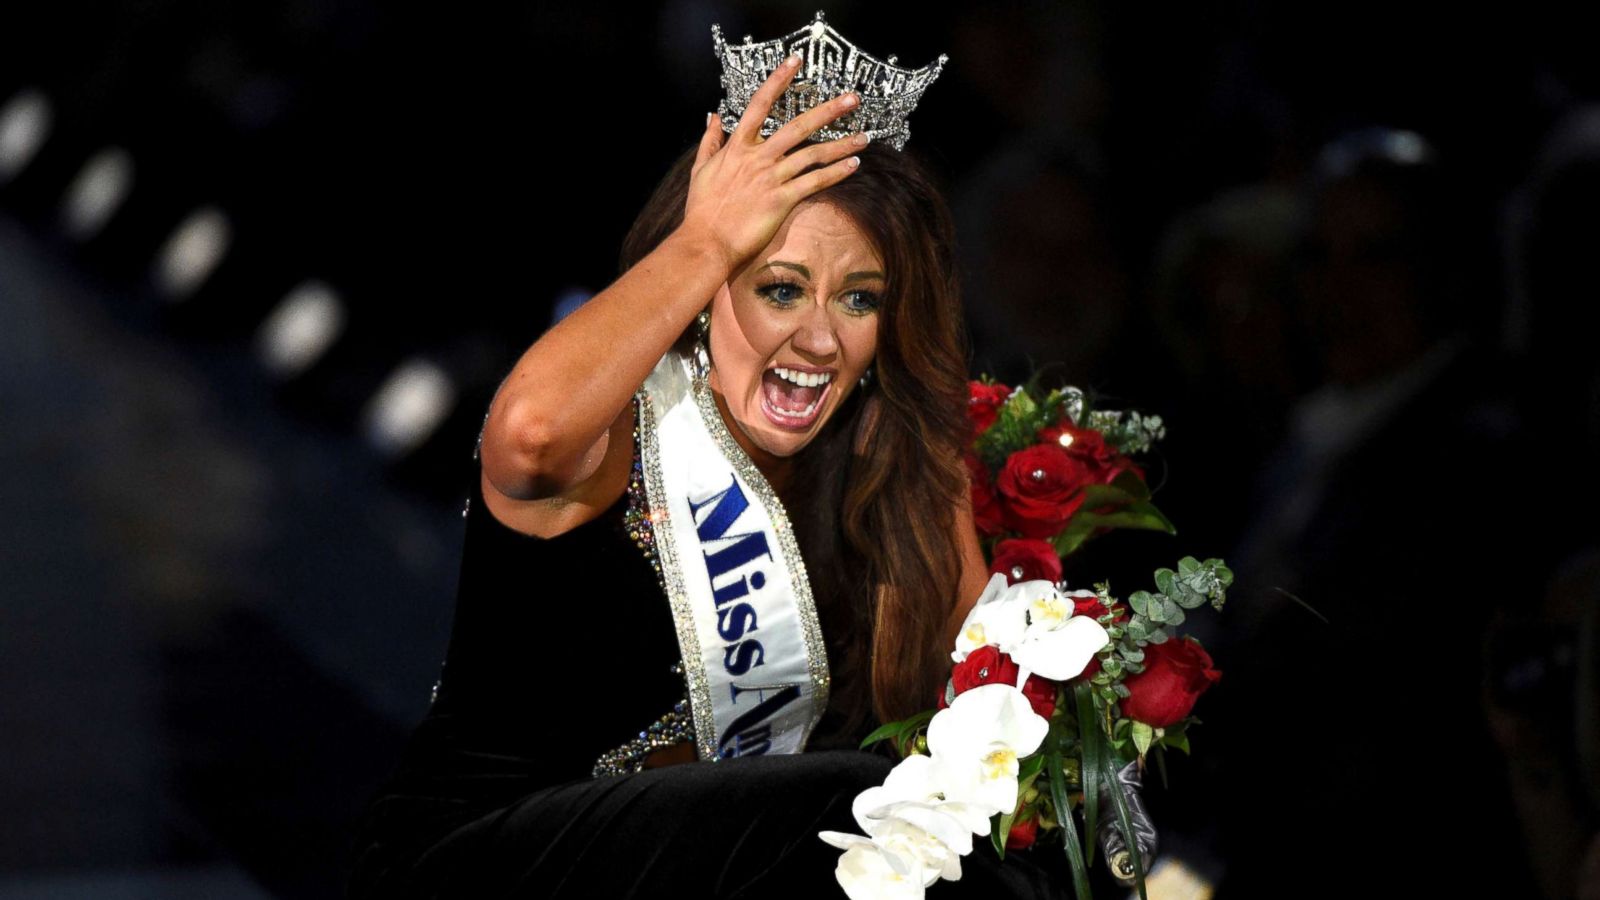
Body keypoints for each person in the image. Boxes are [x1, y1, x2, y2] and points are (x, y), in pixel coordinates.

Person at [347, 36, 1072, 900]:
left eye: (860, 299)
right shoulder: (615, 429)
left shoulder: (891, 466)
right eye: (778, 287)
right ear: (710, 288)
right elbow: (531, 433)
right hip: (480, 868)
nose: (819, 338)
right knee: (851, 803)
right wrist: (706, 240)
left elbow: (966, 698)